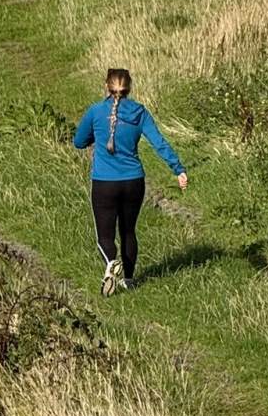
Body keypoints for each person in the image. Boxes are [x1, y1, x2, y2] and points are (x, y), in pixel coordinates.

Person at [72, 68, 187, 296]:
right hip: (134, 181)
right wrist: (178, 169)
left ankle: (110, 264)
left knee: (105, 236)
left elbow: (78, 142)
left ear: (106, 86)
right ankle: (129, 280)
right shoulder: (140, 112)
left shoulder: (96, 111)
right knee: (128, 231)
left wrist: (97, 135)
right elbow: (159, 142)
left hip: (104, 182)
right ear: (129, 88)